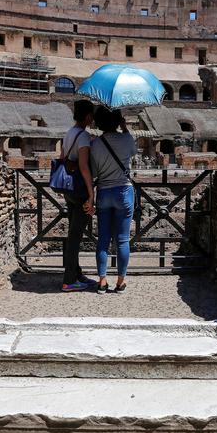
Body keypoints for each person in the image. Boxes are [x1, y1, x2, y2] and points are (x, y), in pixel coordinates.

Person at [90, 107, 137, 293]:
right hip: (124, 191)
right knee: (123, 240)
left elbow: (94, 173)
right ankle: (120, 282)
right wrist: (125, 128)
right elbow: (133, 152)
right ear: (118, 121)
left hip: (103, 192)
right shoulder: (126, 138)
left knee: (103, 238)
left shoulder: (96, 144)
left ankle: (102, 282)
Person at [60, 99, 97, 292]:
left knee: (73, 233)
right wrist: (91, 196)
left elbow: (63, 158)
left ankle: (76, 273)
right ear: (88, 116)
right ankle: (68, 281)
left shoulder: (69, 133)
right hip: (80, 190)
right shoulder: (83, 136)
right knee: (75, 236)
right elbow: (83, 166)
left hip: (68, 190)